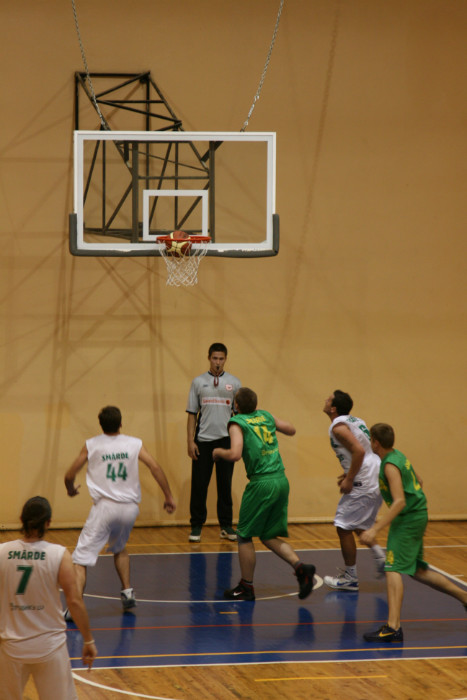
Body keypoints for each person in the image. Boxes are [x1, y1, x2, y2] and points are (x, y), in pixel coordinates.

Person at [360, 423, 467, 642]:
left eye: (371, 439)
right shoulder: (398, 456)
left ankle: (393, 627)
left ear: (376, 442)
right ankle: (464, 597)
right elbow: (419, 480)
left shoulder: (390, 465)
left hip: (408, 519)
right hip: (415, 516)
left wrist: (375, 529)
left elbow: (399, 501)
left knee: (392, 567)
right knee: (417, 571)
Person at [64, 405, 176, 615]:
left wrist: (71, 490)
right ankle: (127, 592)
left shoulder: (92, 444)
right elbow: (155, 467)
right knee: (119, 547)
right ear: (121, 423)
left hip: (105, 507)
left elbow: (69, 475)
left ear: (100, 425)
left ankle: (74, 608)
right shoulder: (134, 443)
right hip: (130, 508)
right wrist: (168, 495)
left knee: (80, 560)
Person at [213, 387, 316, 601]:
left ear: (236, 406)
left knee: (244, 535)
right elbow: (291, 429)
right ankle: (301, 568)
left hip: (262, 483)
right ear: (256, 404)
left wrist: (218, 452)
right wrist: (266, 420)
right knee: (268, 535)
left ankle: (246, 587)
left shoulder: (237, 422)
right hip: (281, 480)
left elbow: (235, 454)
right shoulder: (265, 416)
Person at [0, 496, 96, 700]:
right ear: (48, 523)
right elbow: (74, 601)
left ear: (21, 519)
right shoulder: (59, 554)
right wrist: (88, 639)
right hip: (50, 647)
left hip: (11, 647)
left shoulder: (2, 552)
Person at [323, 390, 385, 591]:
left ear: (333, 408)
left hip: (364, 478)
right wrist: (348, 473)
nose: (325, 400)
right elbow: (364, 452)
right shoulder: (356, 420)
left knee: (343, 526)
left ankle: (350, 578)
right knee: (357, 523)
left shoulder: (338, 427)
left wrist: (350, 478)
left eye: (328, 399)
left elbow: (359, 451)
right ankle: (381, 557)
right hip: (374, 474)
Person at [186, 342, 241, 543]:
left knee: (225, 485)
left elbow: (239, 416)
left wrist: (238, 442)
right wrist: (190, 441)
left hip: (226, 441)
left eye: (221, 358)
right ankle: (196, 526)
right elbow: (192, 414)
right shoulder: (198, 382)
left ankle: (225, 526)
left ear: (225, 359)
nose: (218, 362)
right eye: (215, 358)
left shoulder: (234, 383)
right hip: (203, 441)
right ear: (209, 358)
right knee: (199, 485)